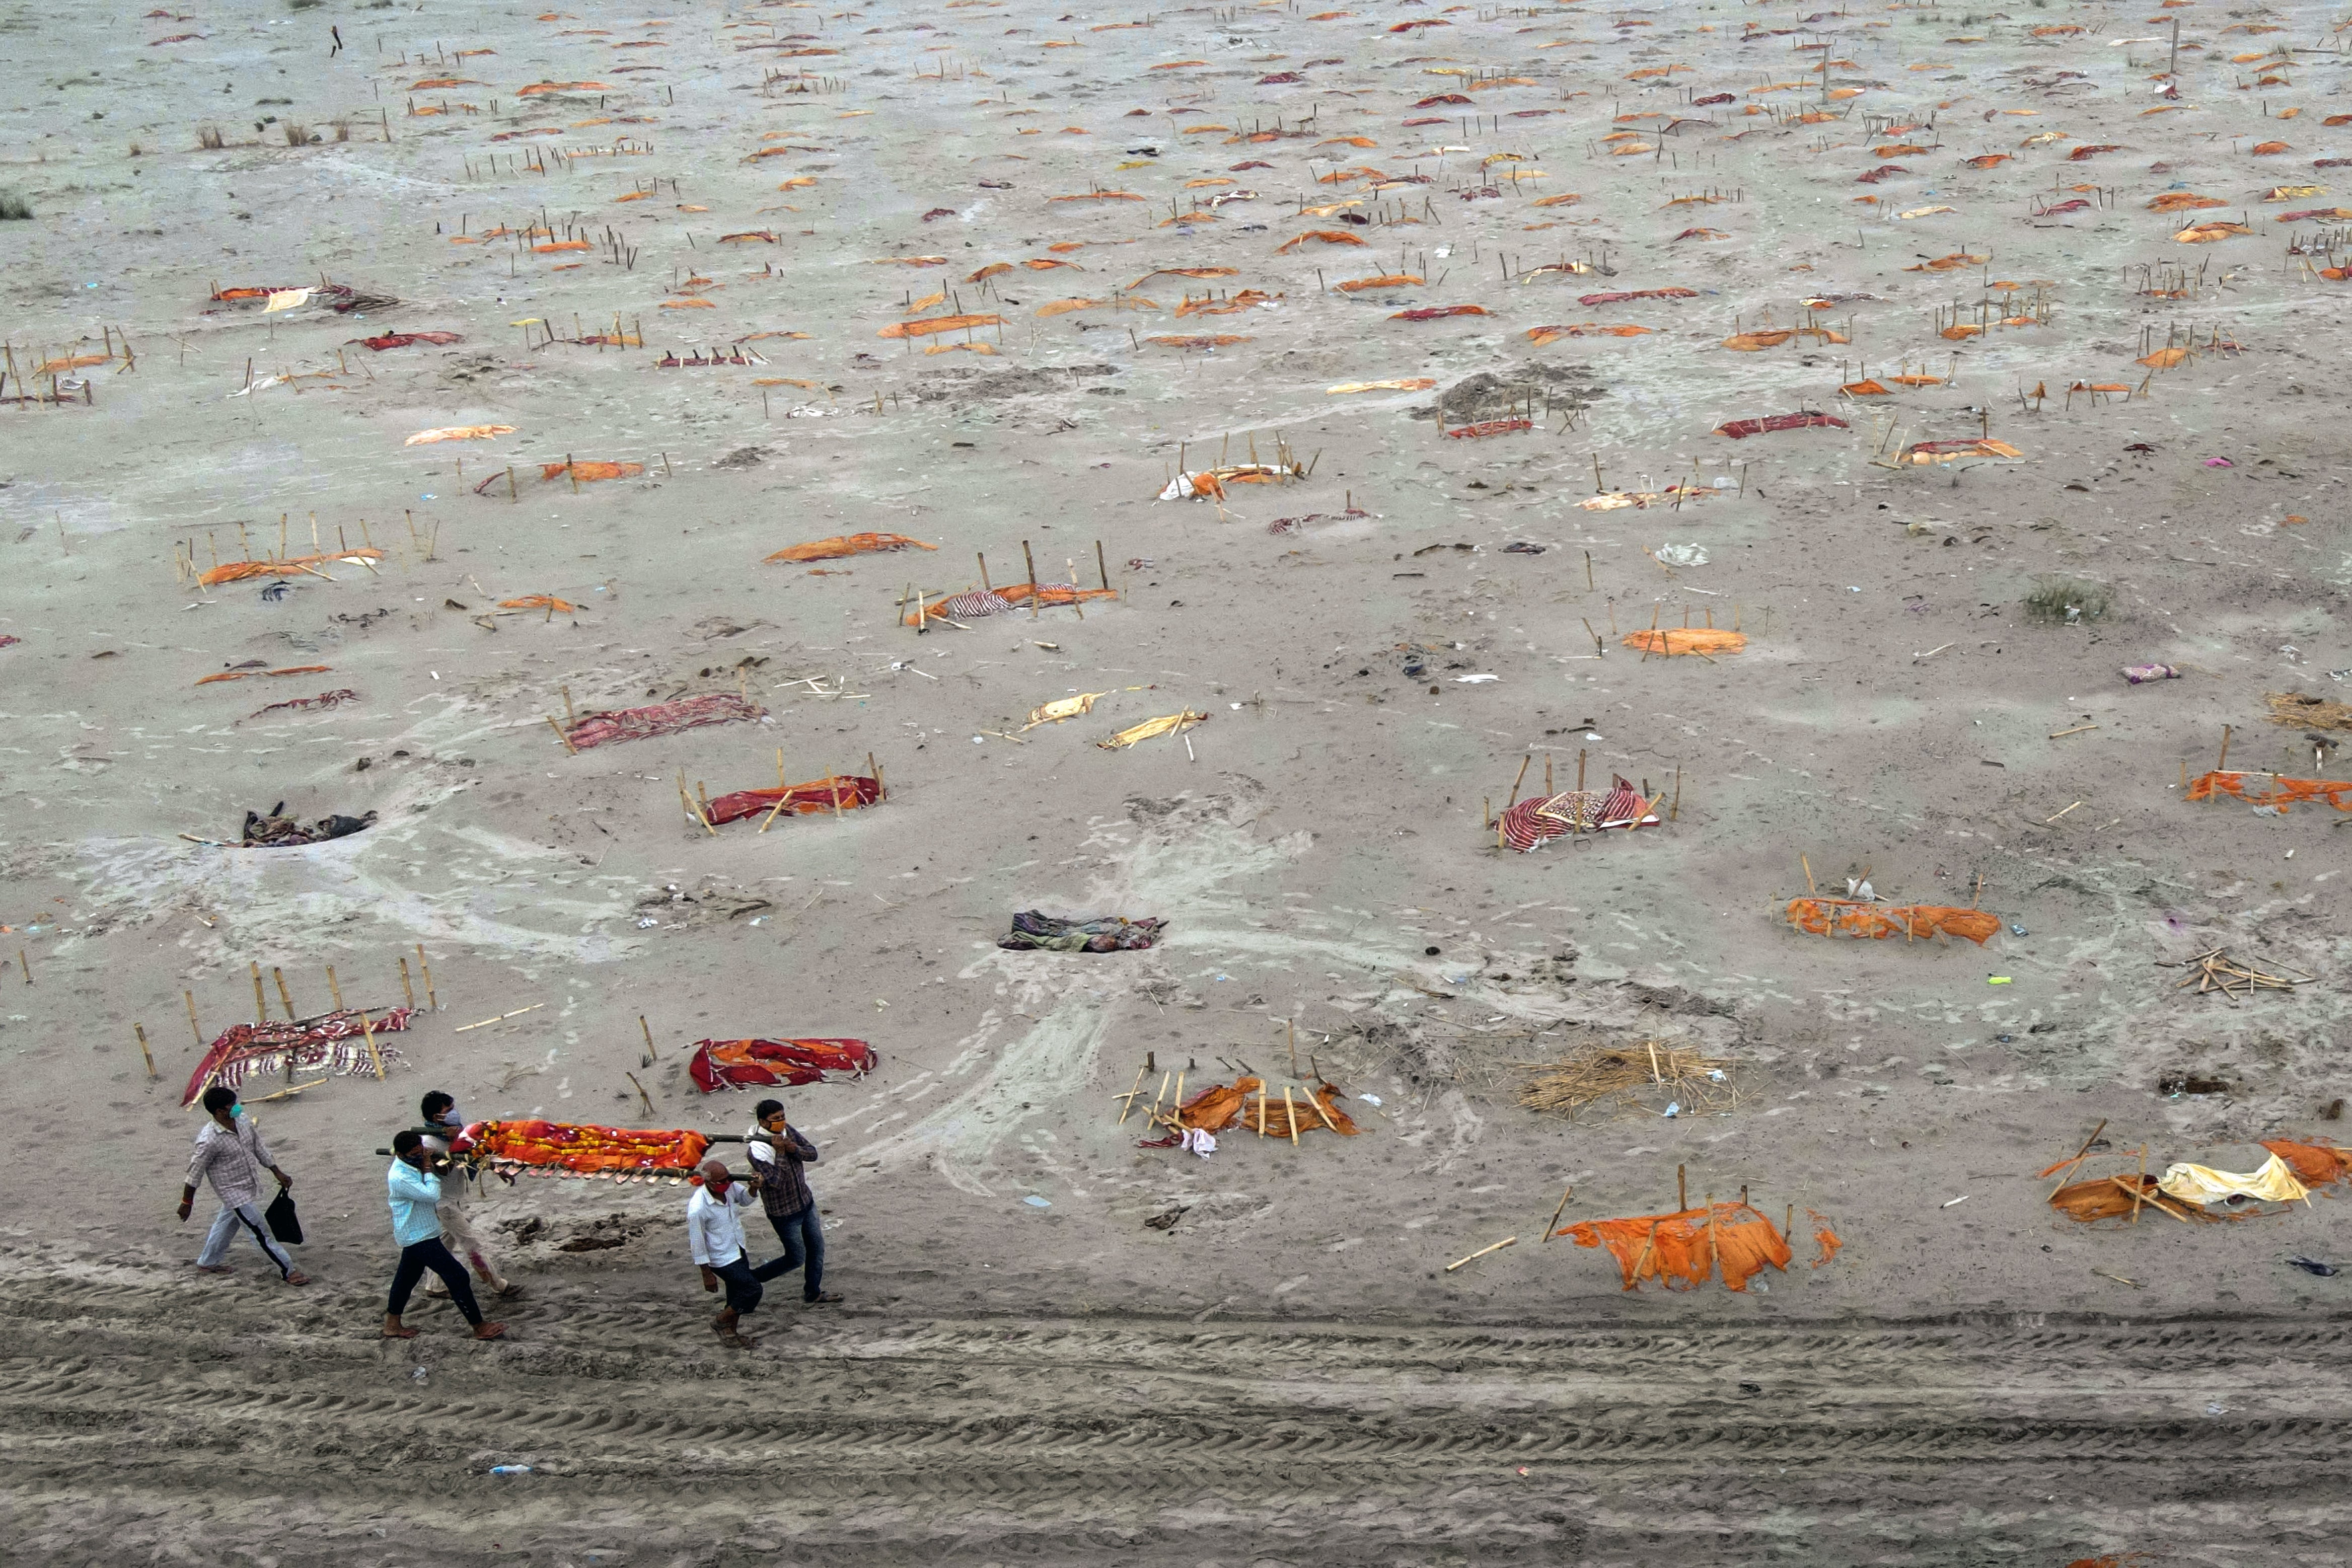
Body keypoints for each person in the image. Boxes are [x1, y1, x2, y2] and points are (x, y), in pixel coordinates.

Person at [179, 1085, 309, 1286]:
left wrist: (277, 1171)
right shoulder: (208, 1141)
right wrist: (187, 1202)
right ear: (219, 1112)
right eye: (232, 1106)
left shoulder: (243, 1121)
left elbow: (259, 1148)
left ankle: (208, 1262)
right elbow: (194, 1173)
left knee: (226, 1222)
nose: (237, 1108)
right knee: (260, 1231)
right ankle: (288, 1270)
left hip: (249, 1184)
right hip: (233, 1193)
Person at [384, 1130, 506, 1340]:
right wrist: (427, 1165)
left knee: (406, 1279)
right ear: (402, 1156)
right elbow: (432, 1195)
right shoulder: (400, 1177)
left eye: (420, 1151)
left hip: (422, 1231)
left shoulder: (411, 1164)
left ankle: (392, 1325)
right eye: (414, 1154)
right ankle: (479, 1326)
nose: (419, 1155)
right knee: (458, 1276)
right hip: (418, 1235)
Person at [416, 1091, 518, 1299]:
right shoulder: (429, 1144)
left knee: (446, 1240)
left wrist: (497, 1169)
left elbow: (471, 1155)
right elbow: (442, 1171)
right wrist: (454, 1144)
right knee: (472, 1244)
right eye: (449, 1110)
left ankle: (435, 1286)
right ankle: (499, 1285)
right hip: (442, 1203)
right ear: (437, 1117)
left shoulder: (453, 1136)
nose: (455, 1113)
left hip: (451, 1199)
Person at [746, 1099, 842, 1306]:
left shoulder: (786, 1131)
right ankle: (751, 1280)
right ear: (763, 1122)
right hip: (784, 1214)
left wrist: (793, 1149)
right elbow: (776, 1182)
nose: (781, 1122)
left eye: (782, 1117)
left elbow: (812, 1153)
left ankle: (813, 1292)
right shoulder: (757, 1151)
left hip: (805, 1203)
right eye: (775, 1119)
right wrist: (781, 1154)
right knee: (796, 1257)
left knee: (816, 1249)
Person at [688, 1158, 790, 1347]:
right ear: (708, 1183)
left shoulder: (729, 1188)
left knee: (735, 1295)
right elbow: (697, 1243)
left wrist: (754, 1188)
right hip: (721, 1259)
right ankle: (721, 1321)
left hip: (737, 1248)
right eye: (721, 1182)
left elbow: (744, 1200)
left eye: (728, 1180)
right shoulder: (698, 1208)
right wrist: (706, 1274)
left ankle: (731, 1334)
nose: (726, 1185)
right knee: (753, 1290)